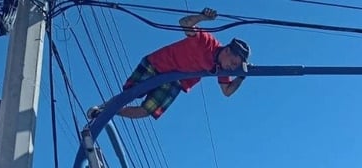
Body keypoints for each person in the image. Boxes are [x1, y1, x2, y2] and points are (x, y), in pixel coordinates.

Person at [87, 7, 250, 120]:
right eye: (233, 62)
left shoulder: (222, 69)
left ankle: (108, 113)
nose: (231, 67)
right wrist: (202, 17)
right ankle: (103, 108)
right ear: (227, 50)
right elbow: (184, 23)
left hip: (175, 81)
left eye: (235, 66)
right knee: (131, 93)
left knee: (146, 111)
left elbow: (227, 91)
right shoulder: (205, 41)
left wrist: (241, 77)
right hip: (157, 64)